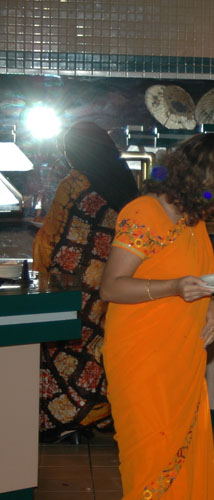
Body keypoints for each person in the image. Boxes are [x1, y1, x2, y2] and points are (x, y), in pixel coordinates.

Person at [99, 133, 214, 499]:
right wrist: (173, 288)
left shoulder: (194, 220)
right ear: (207, 180)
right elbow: (111, 287)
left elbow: (197, 279)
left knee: (184, 456)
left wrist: (212, 305)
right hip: (143, 360)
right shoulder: (144, 213)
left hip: (183, 358)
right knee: (151, 460)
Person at [33, 121, 139, 442]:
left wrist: (41, 268)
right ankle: (100, 413)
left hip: (73, 282)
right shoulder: (123, 180)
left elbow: (51, 236)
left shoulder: (74, 183)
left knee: (63, 348)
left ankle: (65, 421)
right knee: (98, 345)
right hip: (113, 278)